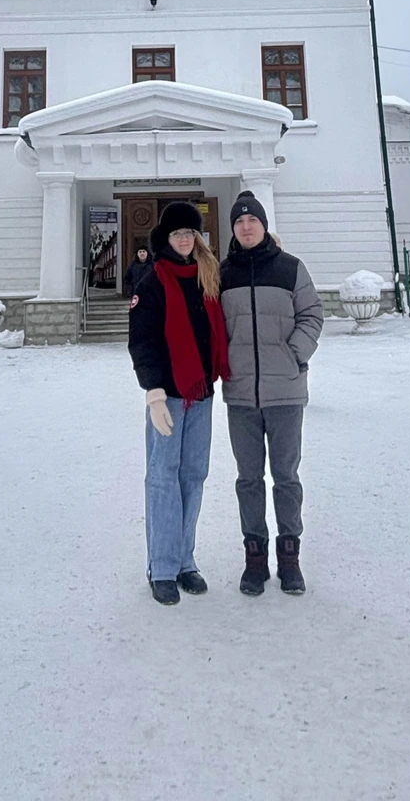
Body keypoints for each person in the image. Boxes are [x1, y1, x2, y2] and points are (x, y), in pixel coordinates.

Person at [220, 191, 323, 597]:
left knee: (285, 477)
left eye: (253, 221)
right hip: (241, 394)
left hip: (285, 393)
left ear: (263, 225)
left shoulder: (290, 268)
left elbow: (312, 314)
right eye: (239, 222)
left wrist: (293, 354)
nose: (246, 227)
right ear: (233, 229)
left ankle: (290, 556)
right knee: (248, 478)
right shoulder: (222, 273)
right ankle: (255, 557)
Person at [127, 201, 230, 606]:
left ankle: (186, 559)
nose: (185, 239)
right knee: (163, 479)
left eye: (190, 233)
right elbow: (143, 342)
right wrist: (153, 393)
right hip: (167, 397)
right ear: (165, 240)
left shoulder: (207, 277)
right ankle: (163, 566)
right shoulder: (153, 281)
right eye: (177, 234)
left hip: (201, 394)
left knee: (193, 475)